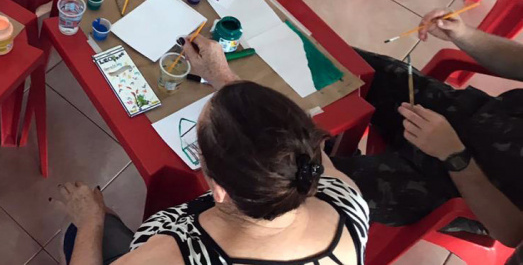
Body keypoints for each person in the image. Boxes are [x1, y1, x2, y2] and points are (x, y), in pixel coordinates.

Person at [57, 36, 369, 265]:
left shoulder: (176, 255)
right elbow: (274, 132)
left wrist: (90, 221)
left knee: (87, 224)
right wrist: (223, 77)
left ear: (219, 190)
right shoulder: (344, 197)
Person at [333, 8, 523, 248]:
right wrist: (464, 34)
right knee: (338, 64)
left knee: (298, 180)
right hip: (465, 116)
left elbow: (514, 233)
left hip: (458, 190)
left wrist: (455, 156)